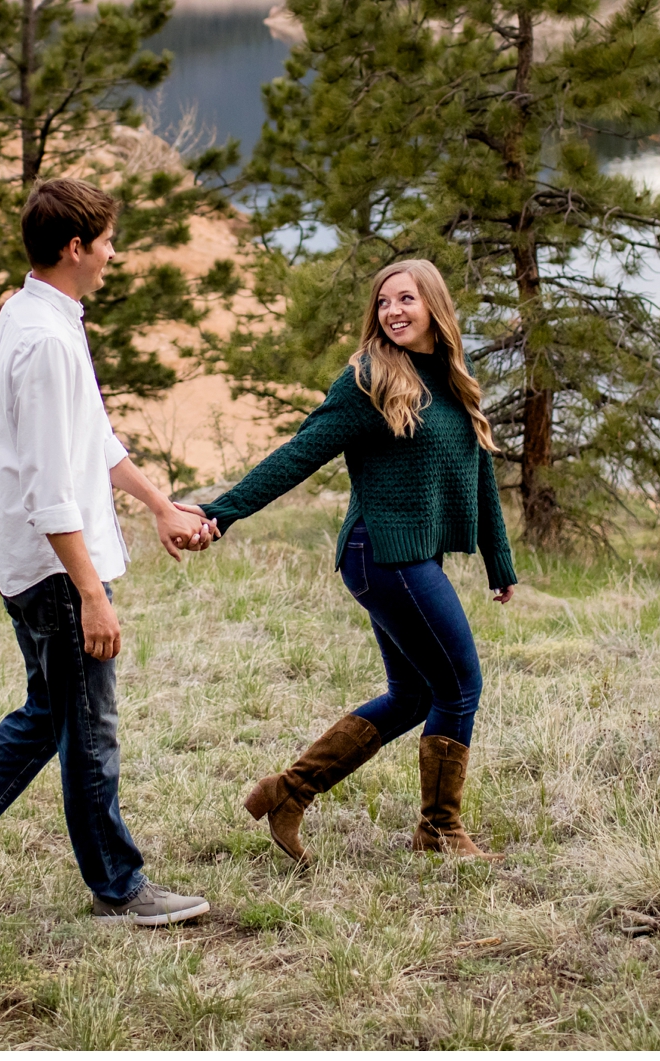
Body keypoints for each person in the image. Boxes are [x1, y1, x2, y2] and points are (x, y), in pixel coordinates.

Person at [0, 178, 217, 928]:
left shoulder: (34, 313)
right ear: (76, 247)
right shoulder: (45, 341)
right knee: (87, 729)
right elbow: (48, 488)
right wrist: (91, 590)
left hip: (41, 564)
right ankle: (116, 889)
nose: (112, 253)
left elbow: (89, 436)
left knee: (53, 712)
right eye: (106, 241)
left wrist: (159, 503)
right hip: (55, 570)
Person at [196, 257, 516, 862]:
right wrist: (223, 512)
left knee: (414, 696)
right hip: (382, 555)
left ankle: (288, 792)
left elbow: (480, 471)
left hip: (411, 556)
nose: (393, 311)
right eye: (384, 302)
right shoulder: (371, 377)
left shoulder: (450, 374)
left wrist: (500, 563)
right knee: (459, 686)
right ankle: (439, 832)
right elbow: (300, 453)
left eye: (406, 300)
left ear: (434, 307)